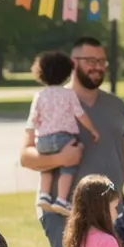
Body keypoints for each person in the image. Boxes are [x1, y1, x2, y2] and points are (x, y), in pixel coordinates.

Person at [20, 36, 124, 247]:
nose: (98, 67)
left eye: (102, 62)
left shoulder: (116, 105)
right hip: (63, 209)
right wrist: (61, 159)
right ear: (74, 64)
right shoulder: (53, 99)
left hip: (111, 210)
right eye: (91, 61)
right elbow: (26, 155)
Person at [29, 51, 100, 216]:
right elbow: (80, 114)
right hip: (64, 138)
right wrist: (93, 130)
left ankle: (44, 195)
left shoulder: (39, 95)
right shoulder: (68, 94)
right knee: (68, 168)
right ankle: (61, 200)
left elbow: (34, 119)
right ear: (66, 73)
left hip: (44, 139)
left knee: (46, 168)